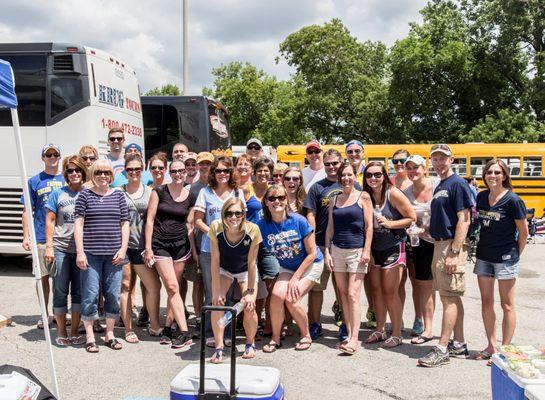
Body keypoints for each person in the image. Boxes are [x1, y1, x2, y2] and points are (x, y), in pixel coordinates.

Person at [418, 144, 473, 367]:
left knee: (448, 298)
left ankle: (442, 348)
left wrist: (454, 251)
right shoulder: (442, 184)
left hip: (450, 246)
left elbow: (464, 219)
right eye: (435, 159)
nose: (439, 163)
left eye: (443, 159)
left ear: (451, 160)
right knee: (451, 296)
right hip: (440, 244)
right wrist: (425, 230)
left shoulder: (458, 184)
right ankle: (458, 343)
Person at [472, 159, 528, 362]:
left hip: (506, 258)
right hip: (484, 257)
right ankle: (491, 345)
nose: (492, 176)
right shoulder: (481, 197)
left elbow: (524, 233)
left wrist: (515, 255)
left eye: (497, 172)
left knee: (507, 305)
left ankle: (504, 349)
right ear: (484, 176)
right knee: (486, 302)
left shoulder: (513, 200)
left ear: (504, 175)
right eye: (489, 172)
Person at [258, 185, 324, 352]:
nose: (276, 201)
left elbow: (311, 254)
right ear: (266, 202)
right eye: (272, 198)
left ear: (286, 200)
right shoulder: (262, 225)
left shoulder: (298, 220)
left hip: (311, 263)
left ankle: (306, 334)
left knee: (291, 298)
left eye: (281, 197)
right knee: (276, 295)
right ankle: (275, 337)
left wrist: (295, 278)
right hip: (287, 266)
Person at [74, 159, 129, 353]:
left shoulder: (119, 196)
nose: (102, 176)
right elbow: (78, 224)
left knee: (113, 294)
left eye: (106, 173)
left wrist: (123, 249)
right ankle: (90, 337)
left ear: (111, 175)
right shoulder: (84, 196)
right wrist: (80, 252)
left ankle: (110, 334)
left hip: (114, 255)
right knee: (90, 295)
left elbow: (125, 224)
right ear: (92, 175)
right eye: (98, 173)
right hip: (90, 255)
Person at [194, 156, 246, 346]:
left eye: (226, 170)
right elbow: (198, 220)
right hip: (210, 250)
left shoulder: (238, 193)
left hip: (233, 250)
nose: (222, 174)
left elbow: (243, 219)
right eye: (218, 170)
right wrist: (213, 233)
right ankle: (210, 332)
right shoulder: (205, 192)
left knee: (230, 295)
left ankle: (227, 333)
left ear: (231, 172)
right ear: (213, 173)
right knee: (212, 292)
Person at [144, 159, 196, 348]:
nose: (177, 174)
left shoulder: (190, 195)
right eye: (173, 171)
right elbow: (149, 220)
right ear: (169, 172)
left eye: (181, 171)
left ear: (186, 172)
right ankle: (184, 331)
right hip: (160, 245)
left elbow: (189, 224)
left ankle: (167, 328)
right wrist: (148, 248)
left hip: (181, 246)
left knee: (173, 289)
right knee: (173, 287)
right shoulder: (159, 192)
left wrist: (194, 251)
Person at [363, 162, 415, 348]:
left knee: (390, 291)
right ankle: (380, 329)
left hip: (394, 245)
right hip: (374, 248)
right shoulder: (365, 195)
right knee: (376, 290)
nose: (373, 178)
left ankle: (397, 333)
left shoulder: (392, 193)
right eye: (369, 175)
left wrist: (389, 224)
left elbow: (411, 217)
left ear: (384, 176)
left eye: (377, 174)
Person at [324, 162, 373, 354]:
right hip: (337, 250)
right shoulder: (334, 199)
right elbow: (330, 228)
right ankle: (348, 333)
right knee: (343, 294)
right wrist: (327, 251)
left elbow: (369, 227)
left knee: (353, 294)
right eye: (343, 175)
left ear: (355, 176)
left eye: (349, 175)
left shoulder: (363, 197)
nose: (346, 178)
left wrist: (366, 250)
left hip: (356, 251)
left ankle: (354, 339)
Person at [303, 149, 350, 341]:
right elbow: (310, 214)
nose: (332, 167)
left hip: (344, 245)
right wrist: (313, 241)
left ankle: (346, 325)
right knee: (316, 288)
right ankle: (315, 323)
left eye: (335, 163)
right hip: (321, 244)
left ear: (341, 163)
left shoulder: (350, 183)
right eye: (328, 164)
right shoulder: (317, 187)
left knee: (342, 289)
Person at [209, 198, 260, 363]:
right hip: (225, 269)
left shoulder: (253, 229)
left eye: (238, 213)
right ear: (224, 214)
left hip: (245, 270)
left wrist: (251, 293)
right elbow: (215, 262)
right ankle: (219, 347)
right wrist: (216, 292)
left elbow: (252, 264)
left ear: (243, 214)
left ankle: (250, 343)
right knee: (217, 303)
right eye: (229, 213)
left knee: (249, 306)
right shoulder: (216, 227)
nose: (233, 217)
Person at [21, 143, 65, 329]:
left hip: (62, 236)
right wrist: (26, 236)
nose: (52, 157)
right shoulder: (34, 181)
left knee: (60, 280)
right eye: (49, 155)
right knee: (43, 278)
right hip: (40, 236)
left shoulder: (67, 179)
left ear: (59, 157)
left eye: (55, 154)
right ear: (43, 158)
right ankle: (43, 313)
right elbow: (26, 210)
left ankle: (59, 313)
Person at [119, 154, 162, 343]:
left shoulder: (150, 191)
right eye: (130, 169)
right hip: (123, 246)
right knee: (126, 286)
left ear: (143, 170)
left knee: (154, 285)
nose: (134, 172)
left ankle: (154, 324)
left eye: (137, 169)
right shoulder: (118, 192)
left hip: (142, 246)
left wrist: (150, 246)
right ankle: (128, 328)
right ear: (125, 171)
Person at [44, 155, 86, 346]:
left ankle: (75, 330)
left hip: (82, 251)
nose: (74, 173)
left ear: (83, 172)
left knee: (79, 292)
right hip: (60, 248)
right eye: (70, 170)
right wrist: (49, 246)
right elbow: (50, 220)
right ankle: (61, 330)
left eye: (78, 170)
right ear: (66, 173)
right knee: (60, 290)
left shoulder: (89, 193)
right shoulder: (57, 194)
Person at [402, 155, 439, 344]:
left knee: (448, 289)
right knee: (424, 284)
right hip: (419, 242)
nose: (412, 171)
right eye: (409, 168)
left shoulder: (438, 184)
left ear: (424, 168)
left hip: (441, 242)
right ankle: (427, 326)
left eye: (416, 167)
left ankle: (456, 335)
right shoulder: (406, 192)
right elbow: (405, 216)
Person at [136, 151, 168, 328]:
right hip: (148, 240)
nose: (157, 170)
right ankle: (146, 311)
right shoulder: (145, 190)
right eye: (153, 167)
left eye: (160, 167)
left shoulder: (173, 187)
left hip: (167, 241)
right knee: (148, 280)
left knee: (171, 282)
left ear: (166, 168)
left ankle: (172, 316)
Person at [345, 140, 374, 326]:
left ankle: (373, 311)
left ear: (363, 152)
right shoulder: (344, 172)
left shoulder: (370, 172)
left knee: (369, 275)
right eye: (350, 151)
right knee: (344, 276)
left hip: (369, 227)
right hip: (348, 231)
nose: (354, 154)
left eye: (357, 151)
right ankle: (343, 310)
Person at [184, 151, 215, 331]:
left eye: (207, 163)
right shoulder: (192, 189)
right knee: (199, 282)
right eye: (201, 164)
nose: (204, 167)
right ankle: (198, 317)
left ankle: (212, 315)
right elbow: (189, 220)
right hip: (197, 239)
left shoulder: (216, 185)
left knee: (213, 283)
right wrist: (192, 249)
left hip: (214, 243)